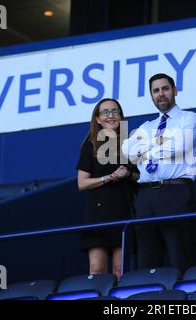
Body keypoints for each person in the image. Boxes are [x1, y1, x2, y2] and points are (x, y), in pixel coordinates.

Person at [122, 73, 196, 272]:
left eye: (165, 89)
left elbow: (179, 147)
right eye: (156, 91)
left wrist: (146, 147)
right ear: (151, 95)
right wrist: (161, 143)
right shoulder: (146, 126)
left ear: (175, 91)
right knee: (146, 261)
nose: (161, 94)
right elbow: (127, 152)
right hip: (145, 195)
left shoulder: (190, 118)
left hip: (175, 191)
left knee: (179, 256)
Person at [77, 98, 138, 280]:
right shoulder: (90, 145)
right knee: (97, 270)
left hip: (124, 211)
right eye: (105, 112)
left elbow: (140, 177)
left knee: (120, 271)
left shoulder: (130, 143)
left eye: (115, 111)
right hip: (98, 214)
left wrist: (127, 174)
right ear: (97, 119)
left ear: (121, 116)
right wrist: (109, 177)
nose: (110, 115)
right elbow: (82, 183)